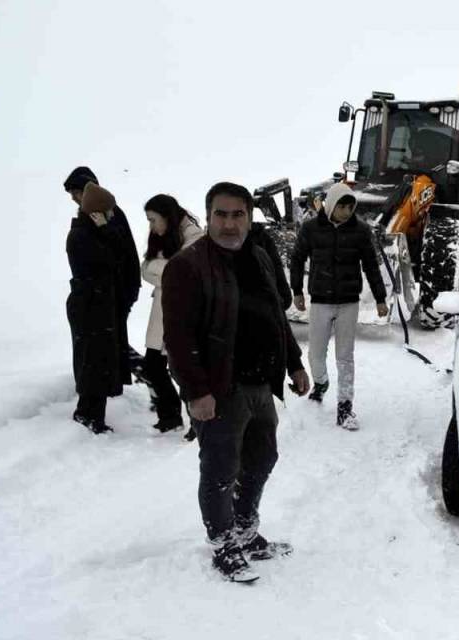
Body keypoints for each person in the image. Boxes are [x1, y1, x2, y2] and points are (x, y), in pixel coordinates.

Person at [162, 181, 311, 583]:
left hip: (262, 385)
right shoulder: (187, 266)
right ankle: (224, 543)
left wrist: (294, 364)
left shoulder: (260, 257)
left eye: (237, 215)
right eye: (220, 215)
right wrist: (196, 392)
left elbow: (275, 316)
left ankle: (246, 530)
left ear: (249, 216)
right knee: (220, 471)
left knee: (263, 459)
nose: (229, 224)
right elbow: (177, 337)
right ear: (208, 217)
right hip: (220, 390)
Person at [289, 182, 388, 429]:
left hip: (347, 302)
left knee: (345, 357)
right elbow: (298, 259)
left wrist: (380, 298)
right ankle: (320, 382)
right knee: (315, 354)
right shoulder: (311, 229)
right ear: (331, 205)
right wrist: (297, 291)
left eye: (350, 207)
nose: (346, 211)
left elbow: (371, 266)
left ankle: (345, 407)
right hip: (320, 300)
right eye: (342, 206)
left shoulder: (361, 231)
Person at [63, 167, 144, 386]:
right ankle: (143, 373)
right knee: (111, 338)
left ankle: (146, 373)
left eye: (76, 193)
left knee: (112, 338)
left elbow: (121, 253)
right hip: (111, 290)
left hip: (119, 288)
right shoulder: (96, 214)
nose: (74, 199)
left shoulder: (108, 212)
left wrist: (126, 289)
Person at [65, 182, 129, 433]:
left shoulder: (91, 233)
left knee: (100, 362)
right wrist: (106, 232)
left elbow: (118, 257)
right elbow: (112, 260)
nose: (112, 216)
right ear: (96, 212)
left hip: (98, 305)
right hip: (88, 307)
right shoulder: (81, 236)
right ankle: (87, 414)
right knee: (92, 362)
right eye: (108, 212)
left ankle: (94, 415)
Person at [140, 194, 204, 433]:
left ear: (167, 216)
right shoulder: (163, 237)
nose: (151, 226)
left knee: (184, 369)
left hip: (184, 314)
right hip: (161, 312)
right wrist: (167, 273)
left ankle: (196, 421)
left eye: (153, 220)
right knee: (153, 366)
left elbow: (183, 274)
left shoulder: (194, 236)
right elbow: (144, 269)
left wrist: (166, 273)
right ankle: (169, 417)